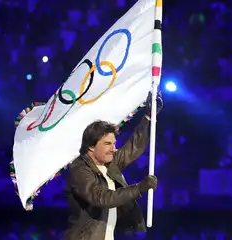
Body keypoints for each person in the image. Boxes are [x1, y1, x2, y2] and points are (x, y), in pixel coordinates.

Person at [64, 92, 163, 240]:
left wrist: (149, 116)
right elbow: (102, 198)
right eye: (107, 144)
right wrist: (139, 188)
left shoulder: (109, 163)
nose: (113, 148)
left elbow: (133, 147)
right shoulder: (79, 169)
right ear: (91, 146)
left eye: (114, 144)